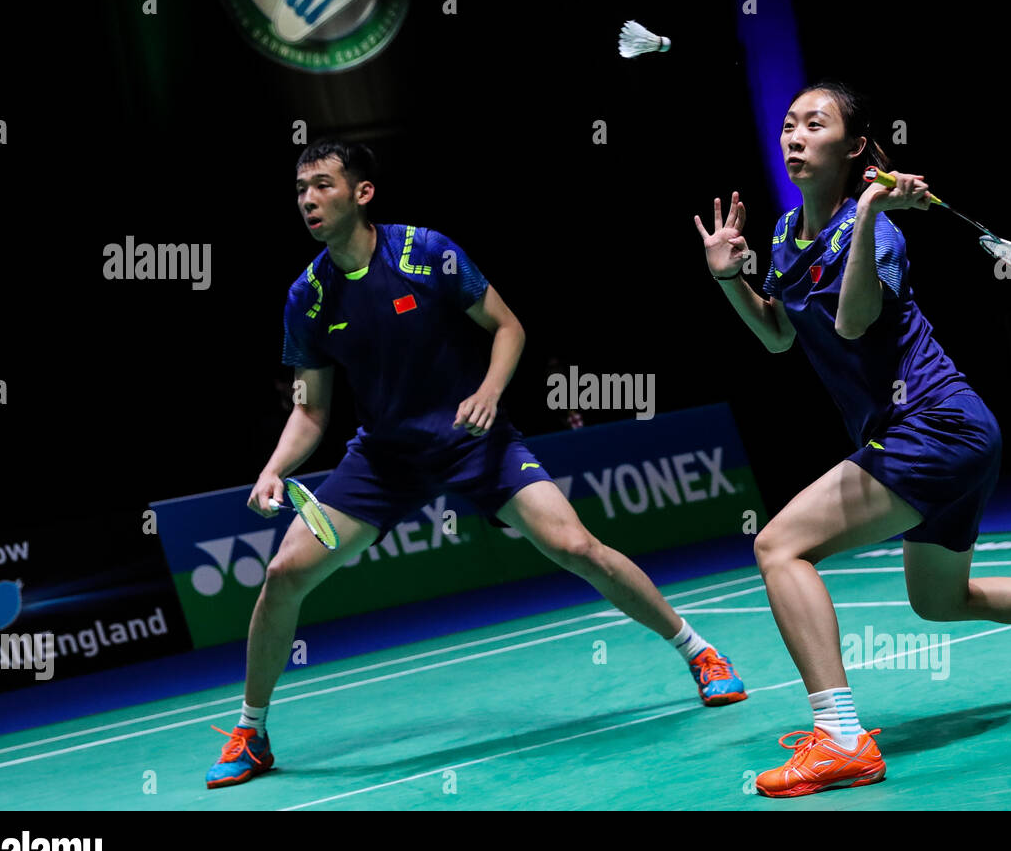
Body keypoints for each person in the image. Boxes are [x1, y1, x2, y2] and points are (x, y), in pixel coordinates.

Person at [206, 139, 746, 788]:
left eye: (322, 185)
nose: (308, 200)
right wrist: (272, 470)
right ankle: (252, 731)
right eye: (300, 189)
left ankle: (700, 652)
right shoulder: (309, 296)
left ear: (362, 193)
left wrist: (489, 393)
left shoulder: (425, 253)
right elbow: (313, 410)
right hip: (385, 456)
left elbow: (509, 327)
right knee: (284, 573)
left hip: (470, 436)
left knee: (576, 545)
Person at [693, 81, 1011, 799]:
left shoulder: (877, 229)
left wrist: (873, 210)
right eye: (788, 124)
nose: (793, 135)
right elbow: (780, 337)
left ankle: (843, 739)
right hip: (944, 435)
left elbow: (853, 323)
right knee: (942, 600)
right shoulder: (788, 232)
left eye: (813, 124)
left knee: (778, 545)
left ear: (853, 147)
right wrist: (731, 282)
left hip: (935, 425)